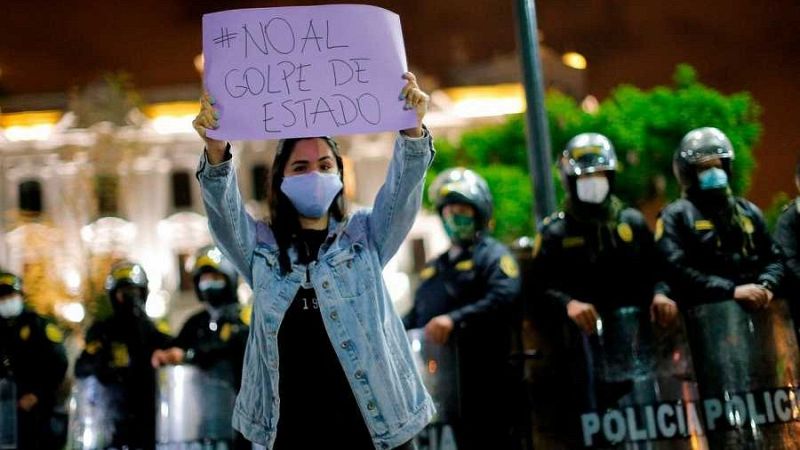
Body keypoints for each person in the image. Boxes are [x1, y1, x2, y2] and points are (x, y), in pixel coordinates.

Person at [192, 72, 434, 450]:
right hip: (293, 432)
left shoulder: (365, 236)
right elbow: (223, 216)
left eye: (324, 165)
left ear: (340, 172)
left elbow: (402, 194)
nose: (315, 174)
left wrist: (412, 129)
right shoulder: (260, 249)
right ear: (280, 180)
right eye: (300, 168)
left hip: (372, 429)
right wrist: (216, 151)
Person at [403, 167, 521, 450]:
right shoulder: (435, 268)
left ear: (480, 213)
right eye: (449, 211)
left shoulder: (493, 256)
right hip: (442, 390)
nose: (455, 217)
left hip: (489, 386)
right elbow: (416, 316)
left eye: (463, 210)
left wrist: (455, 320)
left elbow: (505, 297)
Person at [536, 132, 678, 335]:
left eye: (600, 173)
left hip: (635, 337)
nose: (594, 181)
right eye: (586, 175)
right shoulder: (555, 233)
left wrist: (660, 295)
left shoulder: (632, 222)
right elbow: (539, 289)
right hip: (580, 343)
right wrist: (567, 304)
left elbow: (658, 270)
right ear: (570, 180)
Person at [656, 127, 783, 309]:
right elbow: (675, 270)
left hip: (756, 318)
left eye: (718, 166)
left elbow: (774, 258)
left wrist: (767, 285)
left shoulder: (747, 211)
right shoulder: (676, 215)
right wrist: (732, 291)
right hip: (706, 318)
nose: (714, 172)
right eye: (705, 168)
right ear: (689, 174)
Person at [151, 245, 250, 449]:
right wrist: (163, 354)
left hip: (239, 422)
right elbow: (177, 345)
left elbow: (226, 347)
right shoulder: (195, 322)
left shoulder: (243, 317)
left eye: (215, 277)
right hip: (198, 424)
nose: (208, 284)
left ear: (229, 279)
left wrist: (188, 354)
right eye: (203, 278)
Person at [74, 261, 172, 450]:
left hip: (149, 419)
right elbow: (82, 367)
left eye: (133, 291)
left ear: (142, 293)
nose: (128, 297)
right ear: (113, 296)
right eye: (122, 292)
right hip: (111, 419)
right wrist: (103, 365)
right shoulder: (102, 331)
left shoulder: (154, 331)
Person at [0, 270, 68, 450]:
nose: (6, 300)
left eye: (10, 294)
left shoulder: (38, 325)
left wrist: (37, 394)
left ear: (20, 295)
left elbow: (59, 363)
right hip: (6, 410)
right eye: (1, 297)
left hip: (37, 412)